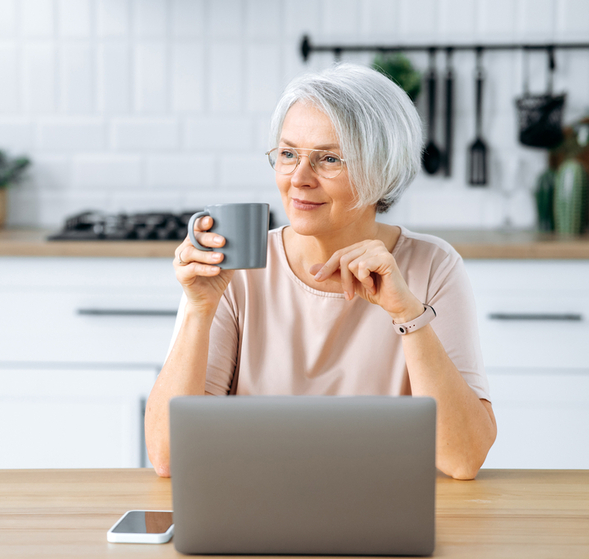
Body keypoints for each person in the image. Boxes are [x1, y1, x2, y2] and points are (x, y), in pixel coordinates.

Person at [145, 62, 497, 481]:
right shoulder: (238, 270)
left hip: (382, 504)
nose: (299, 178)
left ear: (381, 169)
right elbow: (169, 456)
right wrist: (198, 308)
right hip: (257, 500)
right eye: (288, 154)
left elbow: (462, 458)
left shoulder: (433, 266)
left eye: (328, 159)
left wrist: (408, 314)